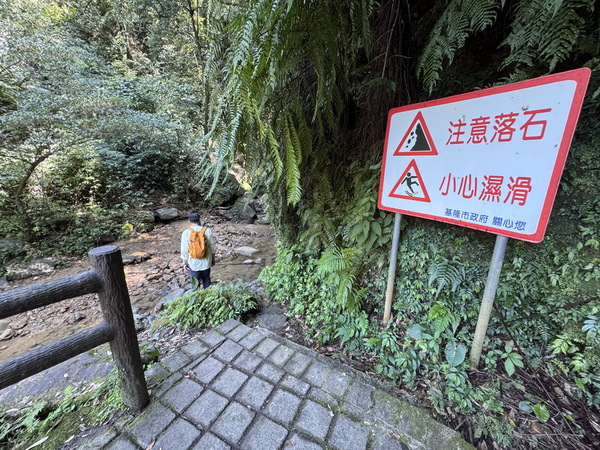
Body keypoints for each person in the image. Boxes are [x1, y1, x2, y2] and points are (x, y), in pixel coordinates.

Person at [180, 212, 217, 289]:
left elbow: (184, 249)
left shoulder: (186, 232)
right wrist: (213, 259)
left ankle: (196, 295)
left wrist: (184, 263)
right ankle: (209, 294)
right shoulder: (207, 230)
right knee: (207, 280)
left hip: (193, 263)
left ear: (189, 222)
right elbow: (213, 246)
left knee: (195, 285)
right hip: (206, 262)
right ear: (199, 220)